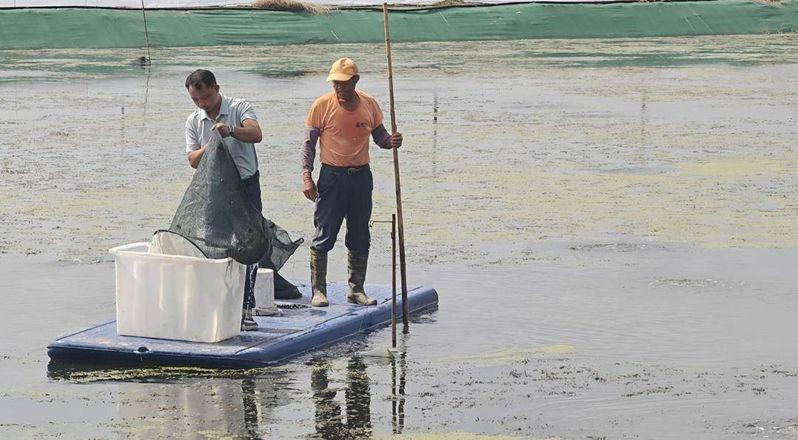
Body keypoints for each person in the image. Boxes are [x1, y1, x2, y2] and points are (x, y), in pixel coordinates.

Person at [300, 58, 403, 307]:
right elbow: (308, 144)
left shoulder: (369, 104)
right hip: (331, 177)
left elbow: (379, 136)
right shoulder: (322, 106)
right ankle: (318, 291)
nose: (339, 88)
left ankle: (356, 289)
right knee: (324, 233)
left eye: (344, 83)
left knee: (359, 233)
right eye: (335, 83)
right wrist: (307, 176)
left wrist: (391, 141)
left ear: (355, 81)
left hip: (361, 177)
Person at [184, 69, 263, 331]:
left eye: (206, 97)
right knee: (214, 247)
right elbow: (192, 160)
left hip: (246, 186)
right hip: (214, 191)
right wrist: (211, 144)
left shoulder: (239, 107)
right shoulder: (194, 121)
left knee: (249, 247)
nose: (202, 104)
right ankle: (217, 305)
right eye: (196, 100)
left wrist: (229, 131)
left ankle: (246, 308)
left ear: (216, 88)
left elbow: (256, 134)